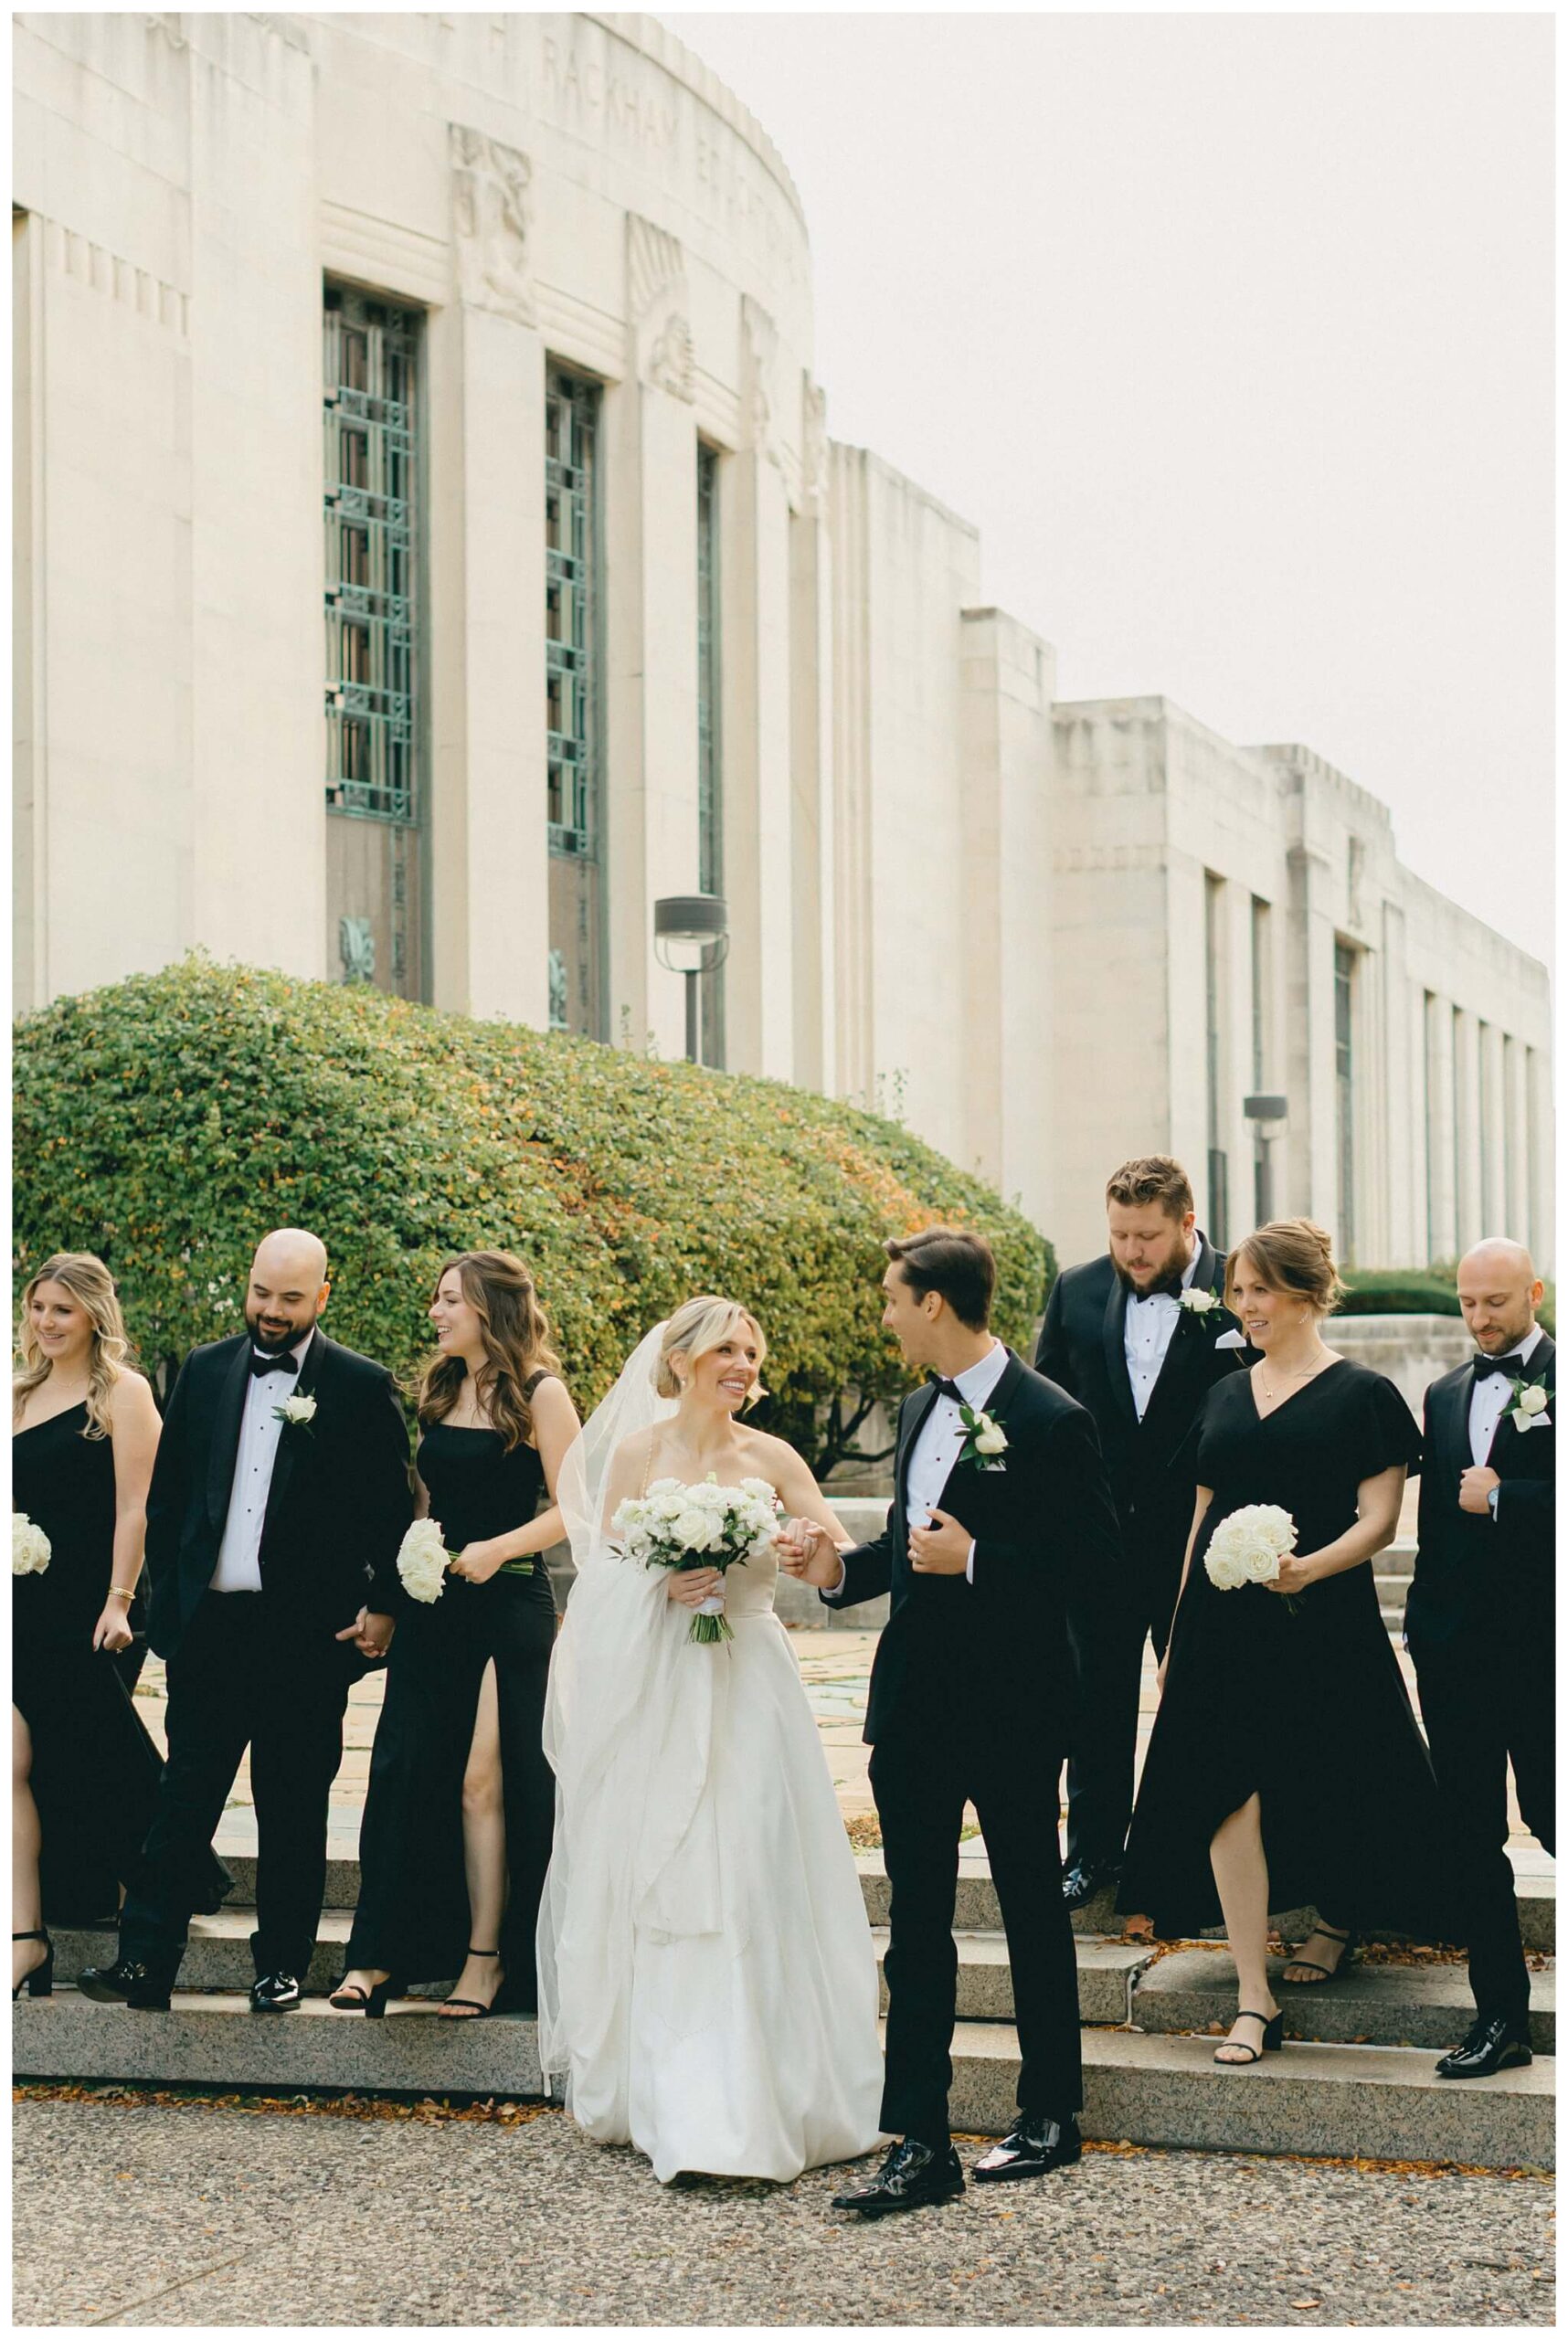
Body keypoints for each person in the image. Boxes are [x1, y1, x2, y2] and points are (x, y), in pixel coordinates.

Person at [787, 1227, 1122, 2216]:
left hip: (1017, 1707)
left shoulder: (1054, 1419)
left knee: (1028, 1913)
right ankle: (921, 2140)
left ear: (934, 1303)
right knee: (918, 1925)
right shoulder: (920, 1406)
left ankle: (1051, 2114)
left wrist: (981, 1561)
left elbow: (1098, 1575)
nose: (885, 1314)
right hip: (918, 1705)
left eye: (893, 1297)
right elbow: (909, 1543)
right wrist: (840, 1572)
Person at [537, 1295, 885, 2186]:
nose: (744, 1363)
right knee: (676, 1870)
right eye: (727, 1348)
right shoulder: (636, 1453)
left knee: (753, 1866)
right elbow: (602, 1581)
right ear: (683, 1359)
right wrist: (660, 1584)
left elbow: (838, 1553)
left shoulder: (771, 1456)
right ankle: (679, 2095)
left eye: (752, 1351)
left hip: (751, 1692)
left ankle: (767, 2094)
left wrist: (810, 1544)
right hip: (662, 1694)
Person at [1118, 1220, 1451, 2067]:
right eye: (1238, 1292)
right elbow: (1201, 1512)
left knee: (1331, 1772)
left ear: (1307, 1293)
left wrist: (1310, 1570)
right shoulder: (1226, 1391)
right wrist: (1182, 1624)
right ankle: (1251, 1992)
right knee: (1231, 1792)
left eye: (1260, 1290)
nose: (1246, 1307)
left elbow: (1380, 1520)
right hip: (1223, 1629)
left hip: (1322, 1620)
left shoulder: (1364, 1394)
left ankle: (1337, 1920)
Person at [79, 1229, 411, 2014]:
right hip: (210, 1630)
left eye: (290, 1299)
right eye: (262, 1292)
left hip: (306, 1640)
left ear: (322, 1297)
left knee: (292, 1806)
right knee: (182, 1800)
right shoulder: (204, 1368)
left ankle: (282, 1967)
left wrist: (386, 1607)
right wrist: (174, 1605)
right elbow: (169, 1497)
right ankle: (144, 1963)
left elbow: (393, 1508)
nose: (270, 1310)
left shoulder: (362, 1387)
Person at [334, 1254, 580, 2018]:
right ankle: (379, 1957)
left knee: (484, 1784)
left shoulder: (541, 1392)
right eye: (437, 1300)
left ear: (489, 1309)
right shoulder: (440, 1389)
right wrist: (391, 1596)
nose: (436, 1313)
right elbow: (426, 1505)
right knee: (405, 1772)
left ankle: (487, 1959)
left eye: (450, 1301)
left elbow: (578, 1508)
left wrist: (499, 1548)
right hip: (435, 1607)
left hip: (507, 1607)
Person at [1035, 1156, 1249, 1909]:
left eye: (1148, 1236)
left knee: (1205, 1700)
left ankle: (1199, 1865)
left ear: (1187, 1223)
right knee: (1094, 1704)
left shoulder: (1241, 1288)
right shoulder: (1077, 1288)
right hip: (1095, 1542)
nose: (1132, 1252)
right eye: (1121, 1234)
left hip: (1202, 1543)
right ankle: (1092, 1854)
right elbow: (1047, 1408)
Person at [12, 1254, 227, 1993]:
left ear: (95, 1315)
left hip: (89, 1604)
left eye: (62, 1311)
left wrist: (119, 1599)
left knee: (93, 1743)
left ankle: (167, 1873)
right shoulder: (16, 1391)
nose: (46, 1323)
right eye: (38, 1307)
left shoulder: (124, 1394)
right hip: (20, 1600)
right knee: (32, 1753)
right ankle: (55, 1906)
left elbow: (139, 1506)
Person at [1405, 1238, 1554, 2080]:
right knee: (1471, 1838)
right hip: (1455, 1655)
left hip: (1543, 1655)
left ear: (1533, 1292)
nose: (1481, 1317)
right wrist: (1424, 1628)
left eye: (1496, 1301)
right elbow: (1434, 1529)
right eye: (1468, 1302)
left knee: (1552, 1815)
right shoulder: (1443, 1392)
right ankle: (1500, 2017)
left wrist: (1508, 1498)